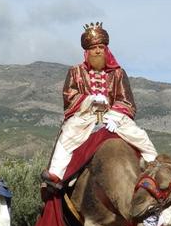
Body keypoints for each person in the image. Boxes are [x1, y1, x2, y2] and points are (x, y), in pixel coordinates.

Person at [41, 22, 157, 186]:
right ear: (87, 51)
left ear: (106, 49)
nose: (97, 51)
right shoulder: (76, 72)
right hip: (85, 116)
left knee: (141, 138)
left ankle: (154, 175)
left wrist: (115, 117)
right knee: (67, 136)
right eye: (93, 48)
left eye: (101, 47)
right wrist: (90, 100)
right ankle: (56, 176)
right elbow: (69, 96)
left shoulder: (118, 73)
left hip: (113, 118)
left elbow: (126, 100)